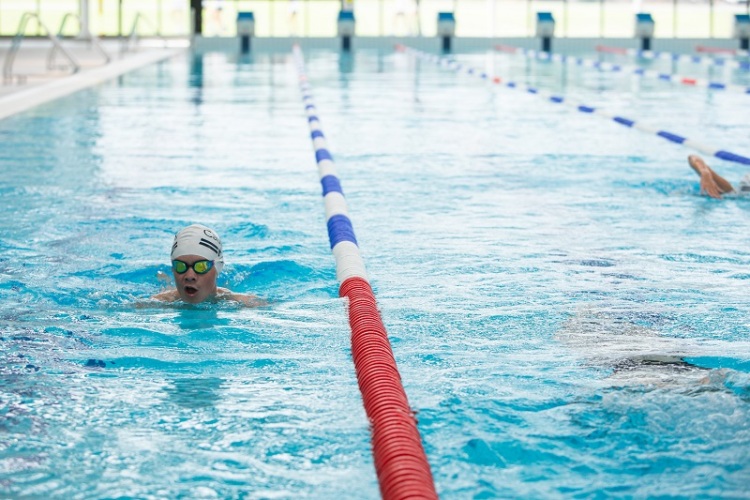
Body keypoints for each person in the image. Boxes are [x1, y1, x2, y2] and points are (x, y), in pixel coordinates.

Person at [152, 224, 266, 307]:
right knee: (167, 286)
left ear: (217, 267)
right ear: (173, 269)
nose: (189, 275)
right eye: (180, 266)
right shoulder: (157, 303)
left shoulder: (243, 303)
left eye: (201, 266)